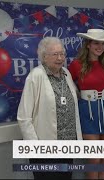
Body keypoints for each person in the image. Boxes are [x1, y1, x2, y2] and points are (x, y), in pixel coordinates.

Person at [17, 37, 82, 179]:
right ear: (44, 57)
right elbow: (24, 117)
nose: (60, 58)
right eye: (55, 54)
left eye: (62, 54)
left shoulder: (66, 73)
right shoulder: (36, 76)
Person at [68, 29, 104, 179]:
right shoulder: (77, 65)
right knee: (94, 158)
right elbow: (67, 85)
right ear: (88, 45)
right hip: (88, 112)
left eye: (102, 43)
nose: (100, 46)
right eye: (96, 43)